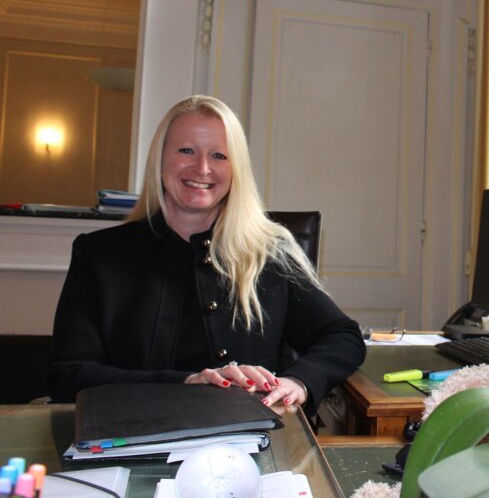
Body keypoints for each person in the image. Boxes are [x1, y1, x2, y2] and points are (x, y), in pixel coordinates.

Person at [48, 95, 366, 415]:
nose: (202, 168)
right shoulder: (98, 254)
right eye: (186, 150)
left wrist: (299, 382)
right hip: (130, 434)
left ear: (236, 169)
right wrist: (188, 382)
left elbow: (341, 336)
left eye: (219, 155)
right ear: (160, 161)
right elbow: (68, 375)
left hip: (250, 438)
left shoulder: (271, 252)